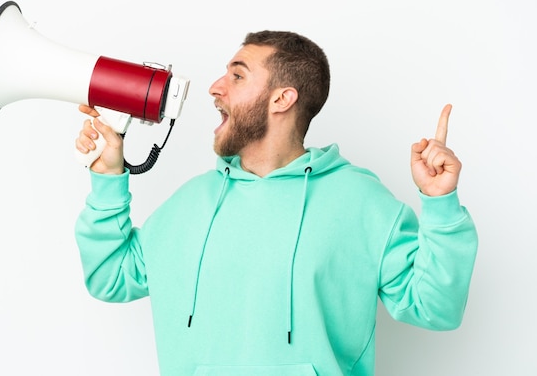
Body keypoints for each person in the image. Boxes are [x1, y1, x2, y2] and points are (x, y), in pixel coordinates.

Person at [74, 31, 478, 376]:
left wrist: (440, 202)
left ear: (282, 99)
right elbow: (111, 277)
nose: (215, 87)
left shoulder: (361, 202)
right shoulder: (190, 203)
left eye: (237, 75)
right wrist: (108, 179)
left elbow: (435, 308)